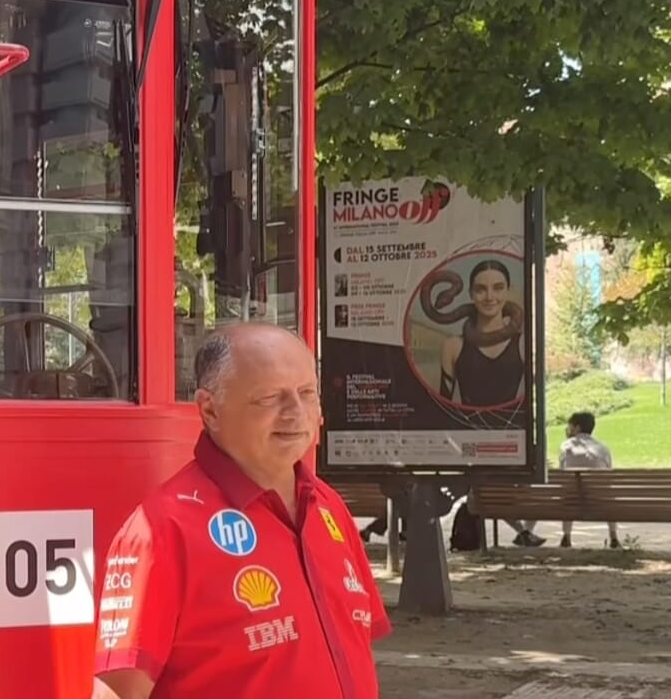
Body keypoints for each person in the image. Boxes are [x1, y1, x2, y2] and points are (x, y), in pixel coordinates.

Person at [93, 323, 389, 699]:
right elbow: (115, 694)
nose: (295, 413)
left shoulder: (327, 507)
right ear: (210, 409)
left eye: (307, 393)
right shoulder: (163, 531)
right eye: (269, 398)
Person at [522, 412, 620, 548]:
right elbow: (608, 475)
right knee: (607, 496)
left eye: (570, 426)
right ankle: (613, 537)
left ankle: (565, 537)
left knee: (566, 493)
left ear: (577, 428)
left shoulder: (566, 446)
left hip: (571, 499)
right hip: (599, 499)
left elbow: (563, 472)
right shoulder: (603, 448)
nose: (567, 429)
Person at [439, 260, 524, 406]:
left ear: (507, 291)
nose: (489, 297)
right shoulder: (453, 346)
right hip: (465, 428)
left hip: (513, 429)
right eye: (480, 290)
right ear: (471, 294)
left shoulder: (523, 343)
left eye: (498, 288)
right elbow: (442, 408)